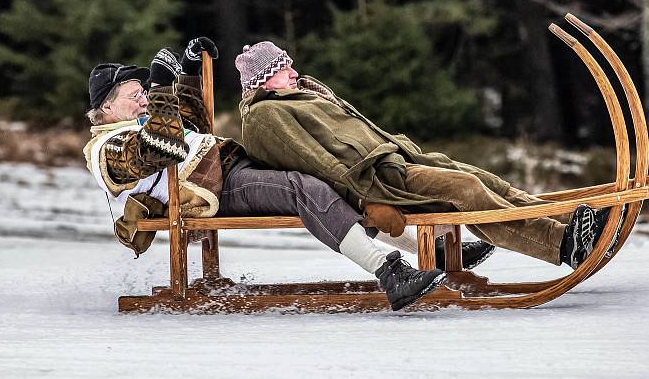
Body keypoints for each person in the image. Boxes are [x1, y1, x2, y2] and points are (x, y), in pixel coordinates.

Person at [82, 38, 465, 311]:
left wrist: (187, 75)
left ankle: (433, 250)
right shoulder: (107, 149)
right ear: (107, 107)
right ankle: (390, 274)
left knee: (327, 176)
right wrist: (163, 89)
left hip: (230, 167)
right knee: (304, 188)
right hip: (216, 190)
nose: (144, 98)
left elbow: (192, 129)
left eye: (144, 91)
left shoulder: (147, 119)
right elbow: (164, 148)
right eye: (135, 94)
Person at [235, 41, 612, 270]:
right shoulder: (267, 116)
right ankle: (562, 244)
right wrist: (365, 199)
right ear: (263, 79)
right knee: (466, 191)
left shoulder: (298, 96)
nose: (294, 72)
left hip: (397, 160)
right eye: (284, 69)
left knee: (485, 180)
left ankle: (578, 223)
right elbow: (314, 163)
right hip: (378, 180)